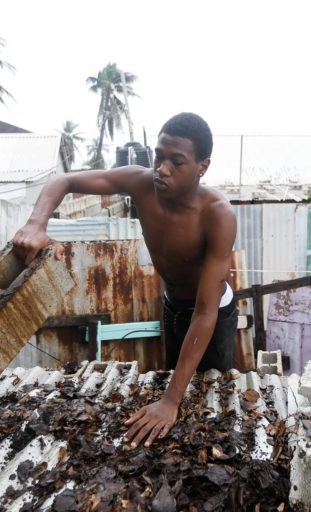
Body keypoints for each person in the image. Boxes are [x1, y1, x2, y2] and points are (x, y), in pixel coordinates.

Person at [13, 112, 237, 448]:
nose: (162, 169)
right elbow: (66, 181)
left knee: (209, 394)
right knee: (172, 380)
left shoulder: (216, 215)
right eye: (159, 156)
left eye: (177, 162)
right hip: (173, 305)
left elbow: (204, 313)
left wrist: (170, 401)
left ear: (203, 166)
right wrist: (35, 224)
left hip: (211, 314)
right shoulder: (141, 182)